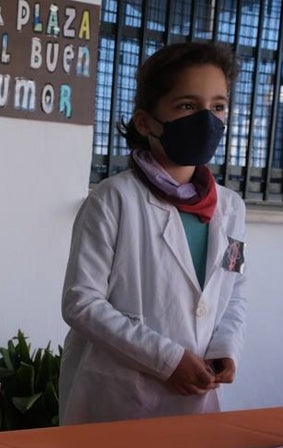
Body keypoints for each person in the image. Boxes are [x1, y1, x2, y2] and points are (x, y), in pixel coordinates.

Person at [59, 42, 247, 424]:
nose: (207, 119)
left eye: (218, 106)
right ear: (146, 122)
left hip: (195, 395)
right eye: (188, 106)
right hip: (117, 398)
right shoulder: (114, 199)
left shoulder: (230, 207)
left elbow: (233, 290)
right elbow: (82, 303)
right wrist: (167, 360)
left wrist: (226, 347)